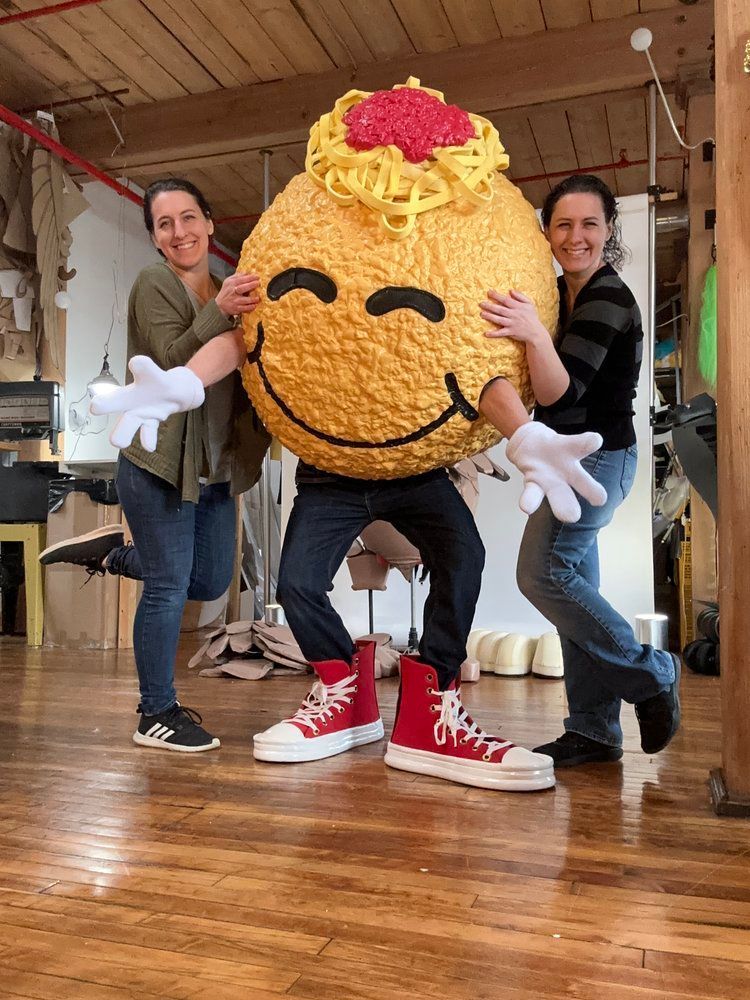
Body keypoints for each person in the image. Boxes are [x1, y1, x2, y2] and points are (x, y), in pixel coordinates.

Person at [39, 178, 269, 753]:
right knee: (168, 586)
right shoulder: (155, 283)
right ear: (155, 238)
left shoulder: (226, 289)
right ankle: (155, 712)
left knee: (211, 579)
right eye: (164, 224)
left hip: (213, 470)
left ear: (210, 222)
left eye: (188, 218)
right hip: (157, 461)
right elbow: (169, 360)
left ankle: (116, 553)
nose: (180, 232)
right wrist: (218, 313)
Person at [480, 174, 680, 768]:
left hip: (596, 462)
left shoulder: (607, 298)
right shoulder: (558, 291)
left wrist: (535, 336)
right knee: (573, 594)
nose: (576, 236)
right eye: (563, 224)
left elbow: (558, 393)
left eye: (590, 224)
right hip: (564, 462)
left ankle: (652, 672)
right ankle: (593, 730)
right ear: (546, 232)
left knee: (541, 576)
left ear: (609, 230)